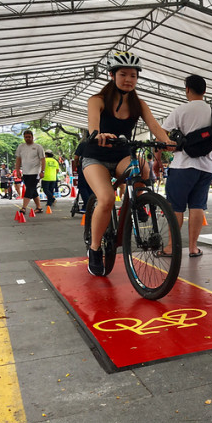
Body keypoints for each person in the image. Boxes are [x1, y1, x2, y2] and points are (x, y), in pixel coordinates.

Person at [82, 51, 175, 276]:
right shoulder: (97, 100)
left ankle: (137, 204)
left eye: (133, 76)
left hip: (122, 153)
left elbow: (154, 126)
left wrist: (167, 141)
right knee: (105, 199)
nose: (128, 80)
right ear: (112, 75)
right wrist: (98, 134)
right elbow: (93, 124)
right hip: (95, 155)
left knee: (142, 167)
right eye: (123, 74)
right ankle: (95, 249)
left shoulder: (139, 104)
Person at [160, 74, 212, 258]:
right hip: (206, 168)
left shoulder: (180, 110)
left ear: (187, 89)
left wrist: (164, 151)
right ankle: (193, 248)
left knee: (177, 207)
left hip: (182, 165)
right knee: (197, 206)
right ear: (204, 91)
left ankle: (172, 246)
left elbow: (162, 134)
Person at [14, 129, 46, 215]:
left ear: (32, 137)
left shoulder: (38, 147)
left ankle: (23, 208)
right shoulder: (21, 147)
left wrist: (42, 171)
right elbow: (18, 159)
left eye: (29, 137)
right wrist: (17, 170)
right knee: (32, 189)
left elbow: (43, 160)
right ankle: (39, 207)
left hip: (35, 172)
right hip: (25, 172)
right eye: (26, 137)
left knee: (29, 189)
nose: (27, 138)